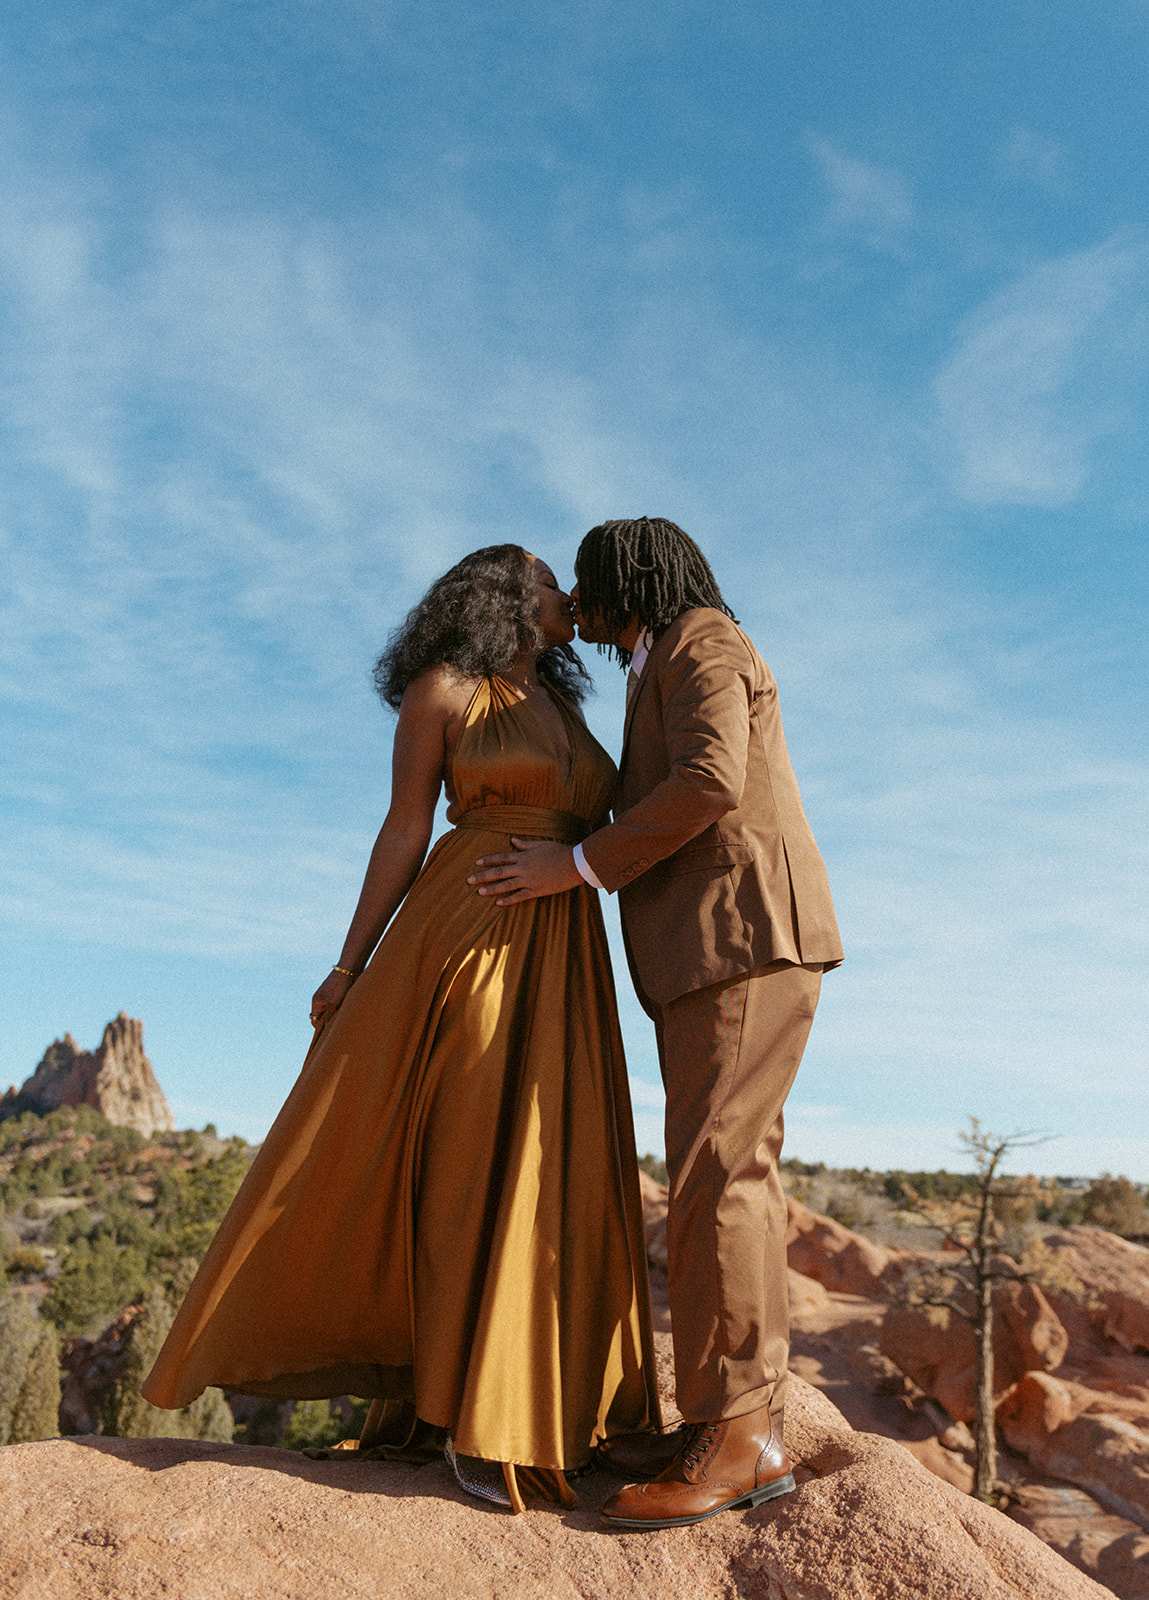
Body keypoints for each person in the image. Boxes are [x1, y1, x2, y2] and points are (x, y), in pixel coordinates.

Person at [142, 544, 660, 1513]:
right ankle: (465, 1416)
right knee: (468, 1154)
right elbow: (403, 827)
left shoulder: (563, 702)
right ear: (505, 595)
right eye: (549, 581)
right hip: (464, 931)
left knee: (553, 1163)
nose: (567, 597)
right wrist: (349, 964)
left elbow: (627, 813)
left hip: (562, 947)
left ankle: (535, 1402)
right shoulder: (445, 689)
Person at [469, 517, 843, 1528]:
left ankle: (738, 1434)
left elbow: (713, 778)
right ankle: (733, 1417)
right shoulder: (654, 663)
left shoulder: (701, 638)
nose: (578, 601)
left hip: (745, 938)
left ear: (630, 576)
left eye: (587, 580)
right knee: (723, 1173)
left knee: (718, 1176)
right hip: (710, 954)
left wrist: (576, 866)